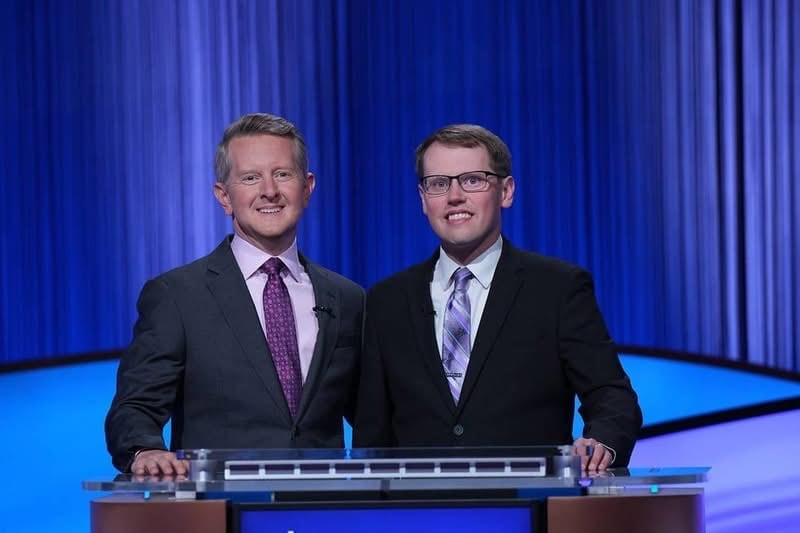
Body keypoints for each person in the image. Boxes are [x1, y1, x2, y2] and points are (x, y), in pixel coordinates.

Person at [354, 124, 642, 470]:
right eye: (439, 183)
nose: (454, 196)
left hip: (527, 498)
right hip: (420, 502)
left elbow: (611, 396)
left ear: (506, 191)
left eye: (472, 180)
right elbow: (372, 437)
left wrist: (601, 445)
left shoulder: (558, 288)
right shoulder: (386, 301)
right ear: (423, 199)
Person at [106, 113, 364, 475]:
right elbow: (135, 406)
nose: (269, 190)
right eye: (250, 178)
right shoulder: (177, 296)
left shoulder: (347, 298)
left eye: (282, 174)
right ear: (224, 196)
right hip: (221, 502)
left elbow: (374, 413)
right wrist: (144, 450)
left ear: (307, 188)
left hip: (318, 501)